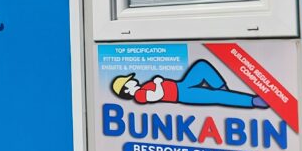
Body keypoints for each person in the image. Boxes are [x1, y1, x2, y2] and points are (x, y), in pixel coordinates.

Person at [111, 59, 267, 109]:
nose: (132, 80)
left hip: (182, 85)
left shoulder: (141, 88)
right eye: (129, 81)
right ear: (126, 88)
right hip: (183, 94)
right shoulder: (139, 95)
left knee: (201, 66)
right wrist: (158, 83)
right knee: (216, 97)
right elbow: (156, 96)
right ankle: (253, 101)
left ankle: (223, 90)